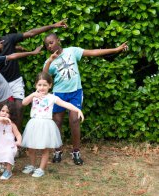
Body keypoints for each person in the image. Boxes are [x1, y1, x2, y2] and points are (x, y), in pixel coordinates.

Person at [43, 33, 128, 165]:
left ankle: (76, 151)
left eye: (51, 42)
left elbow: (93, 52)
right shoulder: (50, 61)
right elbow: (44, 76)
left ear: (58, 40)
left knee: (75, 120)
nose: (49, 46)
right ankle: (58, 150)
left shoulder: (72, 51)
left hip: (75, 92)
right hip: (59, 94)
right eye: (47, 44)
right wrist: (50, 60)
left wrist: (116, 49)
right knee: (57, 121)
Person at [0, 20, 68, 131]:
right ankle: (5, 140)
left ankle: (17, 140)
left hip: (15, 81)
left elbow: (30, 33)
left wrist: (53, 25)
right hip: (1, 86)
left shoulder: (8, 39)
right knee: (2, 112)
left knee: (19, 108)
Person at [21, 72, 84, 178]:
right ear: (36, 85)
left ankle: (41, 168)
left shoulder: (52, 97)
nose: (42, 87)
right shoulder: (34, 96)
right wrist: (32, 95)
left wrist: (77, 109)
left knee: (45, 148)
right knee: (31, 147)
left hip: (46, 125)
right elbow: (23, 103)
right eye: (39, 85)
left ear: (50, 85)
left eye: (45, 85)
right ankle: (32, 165)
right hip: (34, 124)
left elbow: (66, 104)